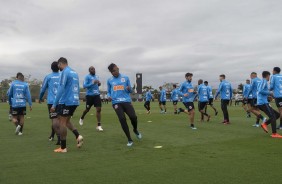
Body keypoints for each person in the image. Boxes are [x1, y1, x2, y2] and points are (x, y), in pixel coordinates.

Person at [50, 57, 83, 153]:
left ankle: (63, 147)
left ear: (60, 64)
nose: (58, 67)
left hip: (66, 101)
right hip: (75, 101)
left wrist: (54, 104)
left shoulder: (64, 72)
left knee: (62, 122)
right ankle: (78, 135)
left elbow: (61, 88)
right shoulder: (74, 72)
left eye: (58, 65)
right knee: (67, 120)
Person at [107, 63, 142, 147]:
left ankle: (135, 130)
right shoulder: (109, 80)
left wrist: (129, 89)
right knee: (122, 119)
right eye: (112, 72)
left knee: (133, 117)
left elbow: (130, 91)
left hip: (126, 101)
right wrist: (109, 96)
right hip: (116, 102)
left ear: (118, 68)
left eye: (115, 70)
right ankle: (129, 139)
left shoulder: (125, 78)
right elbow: (108, 91)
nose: (114, 73)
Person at [39, 61, 61, 145]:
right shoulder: (63, 76)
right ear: (59, 67)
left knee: (54, 119)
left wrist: (40, 98)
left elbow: (43, 89)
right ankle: (52, 135)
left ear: (51, 68)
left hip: (52, 102)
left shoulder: (48, 77)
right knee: (60, 119)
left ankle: (59, 137)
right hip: (62, 101)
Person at [79, 66, 103, 131]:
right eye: (92, 69)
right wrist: (92, 83)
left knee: (99, 109)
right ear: (89, 71)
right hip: (89, 95)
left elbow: (97, 85)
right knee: (87, 109)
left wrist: (99, 84)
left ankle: (99, 125)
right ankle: (82, 117)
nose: (94, 70)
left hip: (96, 95)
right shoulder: (87, 77)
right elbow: (84, 86)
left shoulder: (97, 76)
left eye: (94, 69)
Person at [258, 71, 282, 138]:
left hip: (264, 102)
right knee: (273, 116)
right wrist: (270, 93)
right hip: (263, 103)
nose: (269, 78)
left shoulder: (263, 81)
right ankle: (274, 134)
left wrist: (269, 95)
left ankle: (265, 124)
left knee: (277, 115)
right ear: (267, 75)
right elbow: (260, 90)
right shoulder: (264, 81)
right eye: (269, 76)